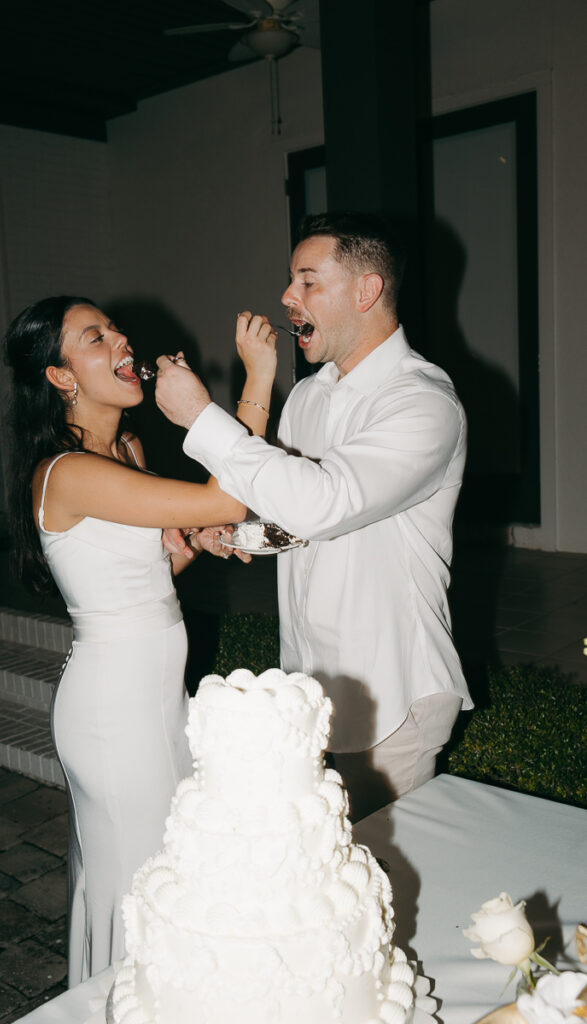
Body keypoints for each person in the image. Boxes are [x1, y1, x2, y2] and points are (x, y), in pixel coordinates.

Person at [156, 212, 473, 821]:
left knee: (385, 870)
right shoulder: (308, 395)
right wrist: (241, 532)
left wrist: (200, 416)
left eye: (307, 281)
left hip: (392, 692)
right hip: (310, 684)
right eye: (290, 280)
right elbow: (295, 516)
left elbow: (324, 503)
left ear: (367, 291)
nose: (286, 296)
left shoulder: (423, 402)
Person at [4, 296, 277, 985]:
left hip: (161, 696)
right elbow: (228, 496)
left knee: (178, 867)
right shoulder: (67, 473)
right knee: (140, 886)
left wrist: (195, 544)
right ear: (61, 376)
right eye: (94, 337)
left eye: (114, 329)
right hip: (112, 711)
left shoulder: (126, 449)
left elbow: (149, 575)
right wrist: (255, 380)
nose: (120, 339)